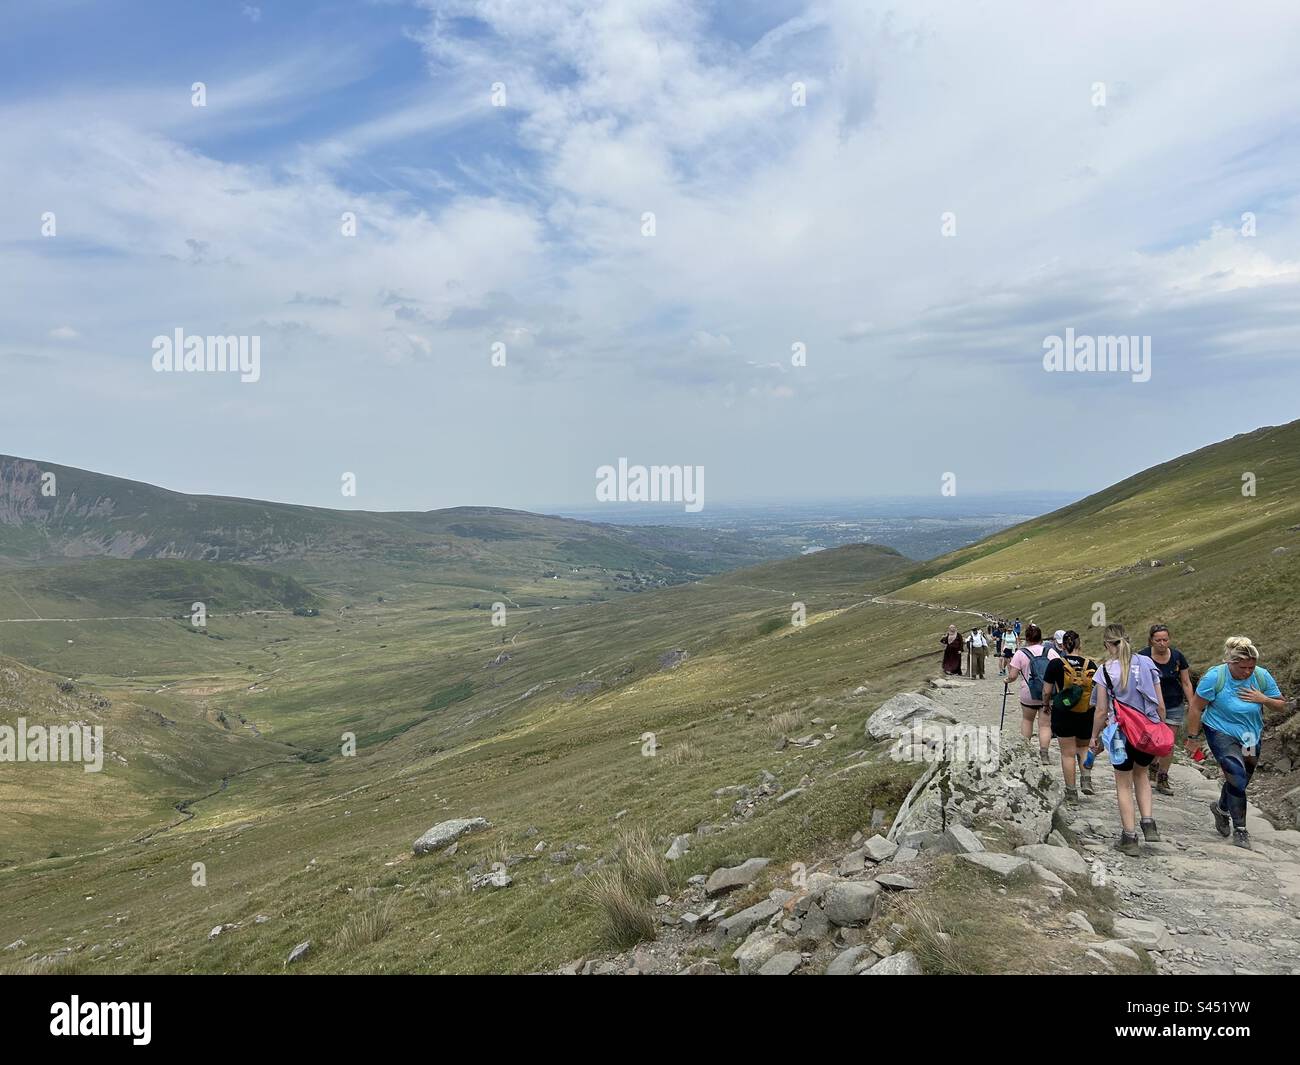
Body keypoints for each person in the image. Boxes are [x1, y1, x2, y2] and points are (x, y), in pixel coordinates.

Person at [1187, 636, 1285, 850]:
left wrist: (1264, 700)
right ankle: (1241, 830)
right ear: (1231, 663)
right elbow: (1195, 707)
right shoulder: (1215, 677)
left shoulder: (1261, 676)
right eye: (1243, 668)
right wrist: (1192, 738)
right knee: (1235, 774)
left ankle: (1221, 809)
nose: (1247, 672)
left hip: (1250, 734)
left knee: (1242, 778)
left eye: (1251, 667)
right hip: (1220, 731)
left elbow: (1281, 705)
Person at [1087, 624, 1165, 856]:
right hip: (1146, 732)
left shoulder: (1104, 671)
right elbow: (1159, 703)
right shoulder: (1148, 664)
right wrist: (1159, 726)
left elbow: (1101, 711)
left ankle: (1129, 837)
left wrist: (1094, 736)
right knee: (1141, 774)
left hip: (1120, 734)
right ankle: (1148, 822)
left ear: (1108, 645)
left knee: (1123, 783)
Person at [1041, 631, 1099, 803]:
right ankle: (1086, 779)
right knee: (1082, 749)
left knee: (1067, 754)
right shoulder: (1091, 665)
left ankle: (1071, 792)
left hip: (1063, 712)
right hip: (1086, 713)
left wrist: (1046, 705)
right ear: (1079, 645)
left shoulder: (1056, 664)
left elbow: (1047, 691)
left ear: (1063, 645)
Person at [1139, 624, 1194, 796]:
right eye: (1158, 640)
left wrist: (1192, 703)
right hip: (1150, 706)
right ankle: (1152, 764)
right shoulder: (1142, 657)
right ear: (1151, 641)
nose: (1162, 643)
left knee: (1168, 743)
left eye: (1165, 640)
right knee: (1152, 741)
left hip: (1174, 704)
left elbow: (1185, 681)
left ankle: (1163, 776)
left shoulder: (1177, 657)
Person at [1006, 624, 1058, 764]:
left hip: (1028, 692)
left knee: (1027, 720)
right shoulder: (1050, 652)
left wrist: (1007, 680)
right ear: (1041, 638)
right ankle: (1044, 754)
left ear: (1027, 638)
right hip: (1047, 693)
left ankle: (1025, 750)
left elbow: (1013, 675)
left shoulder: (1020, 653)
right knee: (1045, 725)